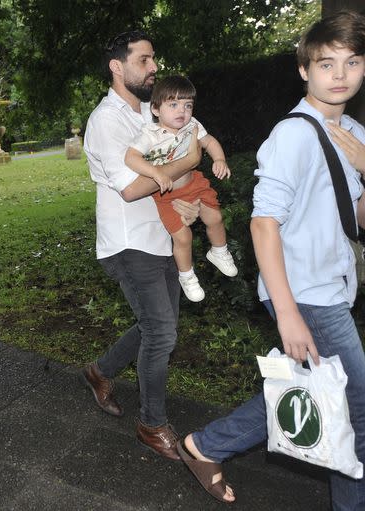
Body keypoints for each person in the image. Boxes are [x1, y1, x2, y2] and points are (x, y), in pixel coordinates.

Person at [177, 11, 365, 506]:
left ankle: (204, 445)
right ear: (305, 70)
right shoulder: (294, 136)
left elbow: (358, 217)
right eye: (327, 64)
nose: (340, 74)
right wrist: (287, 314)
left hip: (331, 284)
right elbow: (263, 224)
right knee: (355, 405)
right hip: (305, 292)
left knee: (316, 386)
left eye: (353, 61)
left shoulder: (353, 134)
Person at [80, 30, 202, 461]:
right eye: (145, 60)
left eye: (154, 59)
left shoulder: (152, 115)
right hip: (128, 241)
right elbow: (132, 188)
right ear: (118, 66)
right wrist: (190, 160)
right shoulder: (106, 121)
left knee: (159, 323)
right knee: (162, 330)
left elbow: (170, 178)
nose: (154, 68)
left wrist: (187, 202)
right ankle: (151, 424)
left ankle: (101, 371)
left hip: (162, 235)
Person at [124, 76, 238, 302]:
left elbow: (210, 142)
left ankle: (219, 251)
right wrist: (157, 173)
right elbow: (131, 158)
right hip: (166, 196)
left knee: (215, 217)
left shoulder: (193, 125)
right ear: (156, 109)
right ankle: (187, 276)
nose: (182, 111)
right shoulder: (150, 134)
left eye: (188, 105)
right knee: (183, 237)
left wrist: (219, 159)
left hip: (194, 183)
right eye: (173, 104)